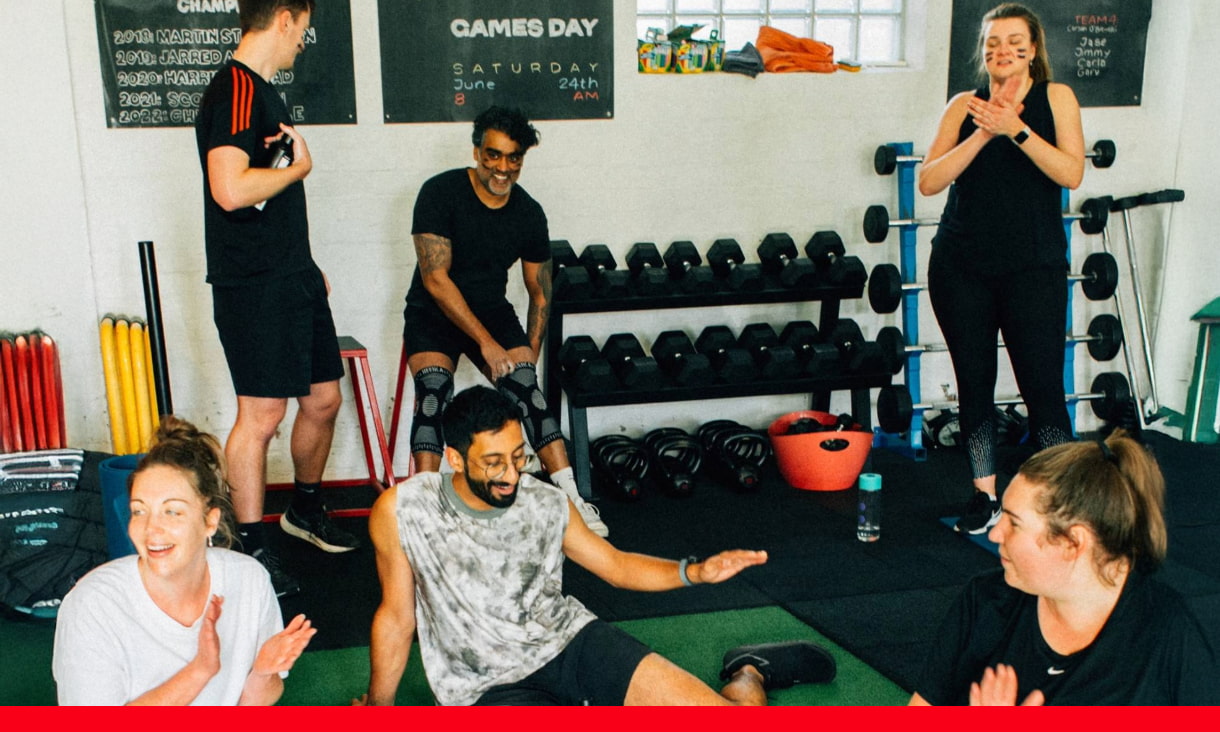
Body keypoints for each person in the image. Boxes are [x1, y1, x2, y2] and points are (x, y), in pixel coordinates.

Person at [359, 386, 836, 705]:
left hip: (570, 643)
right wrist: (379, 708)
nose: (511, 475)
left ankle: (750, 672)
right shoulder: (405, 510)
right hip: (487, 684)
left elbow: (615, 566)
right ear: (455, 459)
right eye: (493, 463)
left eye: (519, 456)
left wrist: (694, 571)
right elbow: (397, 617)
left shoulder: (546, 503)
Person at [195, 0, 359, 598]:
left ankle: (304, 510)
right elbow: (231, 190)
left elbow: (267, 204)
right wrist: (300, 169)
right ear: (285, 18)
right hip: (253, 286)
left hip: (290, 278)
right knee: (261, 416)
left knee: (322, 398)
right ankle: (252, 547)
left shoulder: (262, 92)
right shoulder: (236, 90)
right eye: (303, 31)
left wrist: (306, 267)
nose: (301, 44)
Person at [401, 105, 608, 537]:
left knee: (527, 396)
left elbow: (540, 290)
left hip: (492, 310)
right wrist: (487, 345)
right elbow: (435, 279)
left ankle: (572, 500)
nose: (502, 167)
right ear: (477, 152)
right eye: (493, 155)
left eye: (513, 157)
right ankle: (423, 509)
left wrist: (528, 352)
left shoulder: (529, 213)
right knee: (435, 395)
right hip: (434, 312)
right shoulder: (440, 193)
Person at [917, 2, 1084, 534]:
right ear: (982, 49)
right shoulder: (963, 105)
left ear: (1033, 48)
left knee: (1042, 388)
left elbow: (1071, 173)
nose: (1001, 50)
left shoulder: (1056, 98)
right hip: (961, 264)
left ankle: (1059, 500)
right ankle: (985, 496)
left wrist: (1015, 129)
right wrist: (984, 132)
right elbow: (929, 180)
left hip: (1033, 267)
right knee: (974, 385)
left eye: (1014, 41)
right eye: (992, 41)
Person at [910, 431, 1220, 705]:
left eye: (1014, 523)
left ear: (1074, 542)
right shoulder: (985, 602)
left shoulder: (1168, 634)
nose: (994, 533)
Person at [52, 417, 316, 705]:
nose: (152, 528)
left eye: (172, 512)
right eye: (139, 511)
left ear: (210, 522)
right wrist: (200, 671)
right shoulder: (93, 605)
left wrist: (264, 673)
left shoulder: (250, 580)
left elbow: (250, 705)